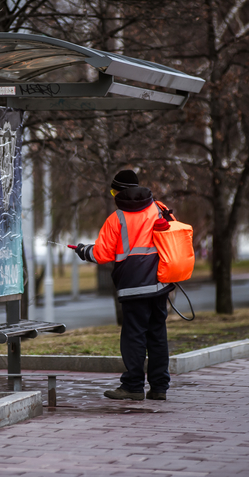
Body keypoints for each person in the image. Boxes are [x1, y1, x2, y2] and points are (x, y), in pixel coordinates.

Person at [73, 169, 174, 401]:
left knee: (134, 336)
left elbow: (102, 254)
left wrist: (83, 251)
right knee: (157, 335)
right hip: (160, 283)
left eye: (112, 191)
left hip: (133, 286)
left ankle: (133, 387)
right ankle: (159, 388)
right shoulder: (158, 209)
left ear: (118, 191)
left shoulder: (116, 218)